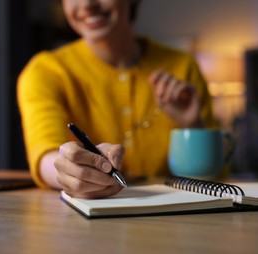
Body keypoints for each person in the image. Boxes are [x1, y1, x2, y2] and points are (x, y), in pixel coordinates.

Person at [17, 0, 216, 198]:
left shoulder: (183, 67)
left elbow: (216, 176)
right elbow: (45, 155)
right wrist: (69, 173)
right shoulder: (45, 71)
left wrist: (192, 125)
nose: (87, 4)